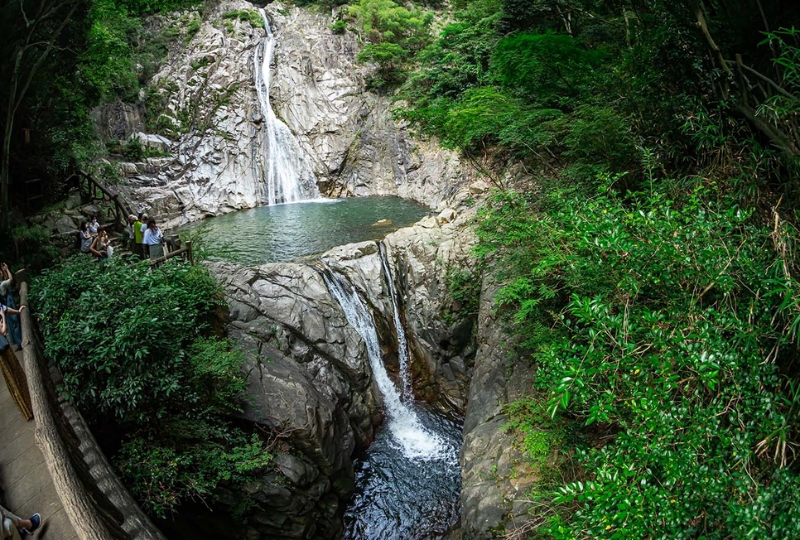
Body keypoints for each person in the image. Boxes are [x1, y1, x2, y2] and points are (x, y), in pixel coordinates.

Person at [0, 304, 32, 421]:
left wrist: (18, 311)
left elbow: (6, 309)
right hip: (3, 351)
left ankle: (27, 407)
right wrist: (3, 317)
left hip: (5, 350)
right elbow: (3, 331)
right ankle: (28, 407)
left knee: (13, 377)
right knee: (14, 376)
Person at [0, 264, 21, 348]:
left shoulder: (1, 283)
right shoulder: (2, 285)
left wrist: (4, 270)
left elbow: (5, 279)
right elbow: (10, 279)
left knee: (11, 323)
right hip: (9, 303)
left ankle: (17, 341)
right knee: (15, 321)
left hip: (6, 303)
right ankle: (20, 342)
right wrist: (7, 269)